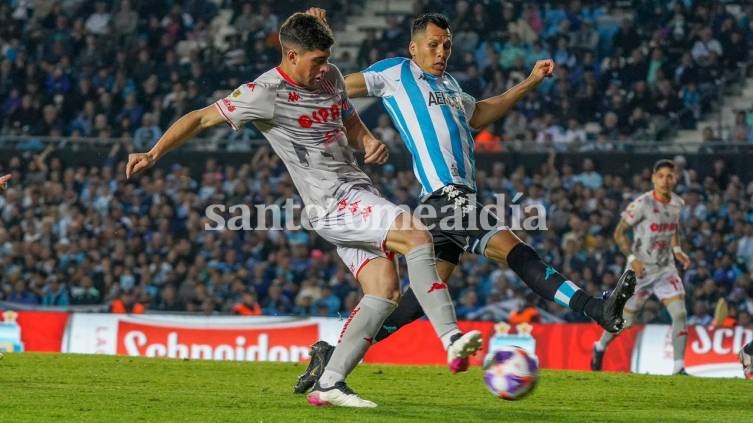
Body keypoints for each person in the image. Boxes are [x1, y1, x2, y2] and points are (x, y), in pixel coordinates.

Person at [125, 13, 481, 408]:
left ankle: (330, 383)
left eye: (327, 59)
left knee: (383, 291)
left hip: (356, 189)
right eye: (316, 60)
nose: (325, 68)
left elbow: (347, 113)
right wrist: (154, 152)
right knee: (417, 236)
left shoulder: (330, 77)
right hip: (332, 201)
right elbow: (198, 118)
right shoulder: (264, 92)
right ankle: (451, 338)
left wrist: (366, 140)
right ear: (291, 56)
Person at [294, 10, 636, 394]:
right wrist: (313, 37)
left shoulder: (453, 86)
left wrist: (529, 82)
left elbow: (480, 114)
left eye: (447, 45)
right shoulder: (395, 73)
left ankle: (333, 354)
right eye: (433, 45)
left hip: (455, 200)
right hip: (444, 198)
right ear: (413, 47)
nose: (442, 52)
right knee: (516, 251)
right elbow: (336, 83)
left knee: (418, 300)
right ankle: (595, 308)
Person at [591, 159, 691, 375]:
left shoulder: (677, 203)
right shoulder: (642, 204)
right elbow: (618, 233)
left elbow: (673, 227)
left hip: (665, 269)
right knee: (624, 322)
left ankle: (678, 368)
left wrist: (677, 250)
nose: (665, 180)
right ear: (654, 178)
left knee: (680, 315)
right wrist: (631, 257)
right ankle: (599, 347)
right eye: (661, 176)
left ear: (676, 179)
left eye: (670, 176)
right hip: (641, 270)